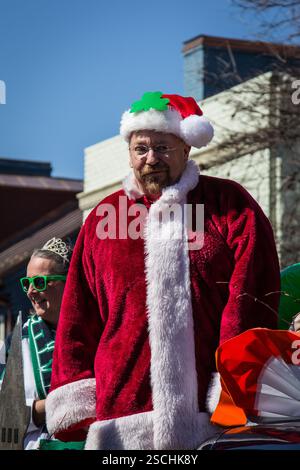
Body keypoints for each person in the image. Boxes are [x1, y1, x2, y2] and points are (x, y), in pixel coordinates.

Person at [46, 91, 280, 450]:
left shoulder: (229, 204)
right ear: (129, 153)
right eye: (141, 149)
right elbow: (79, 314)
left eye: (162, 148)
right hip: (123, 417)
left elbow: (252, 297)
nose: (151, 158)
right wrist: (75, 390)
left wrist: (232, 384)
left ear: (186, 149)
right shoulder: (101, 220)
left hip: (213, 416)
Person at [0, 237, 72, 449]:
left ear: (69, 282)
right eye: (26, 283)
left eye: (39, 282)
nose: (30, 291)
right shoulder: (17, 341)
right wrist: (47, 408)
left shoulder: (96, 332)